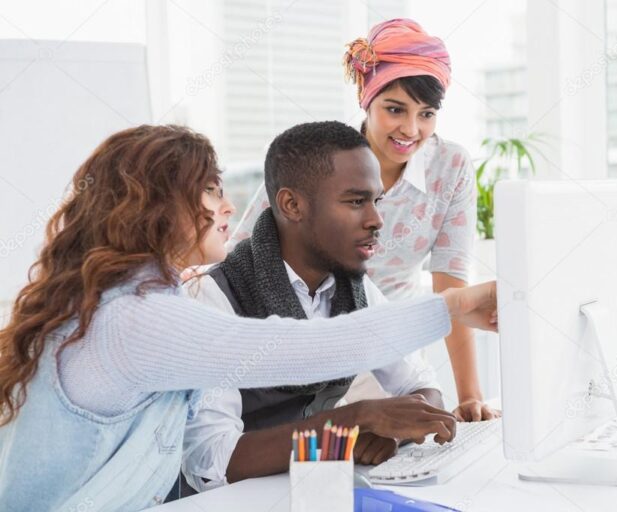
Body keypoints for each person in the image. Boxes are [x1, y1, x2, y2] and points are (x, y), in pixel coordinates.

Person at [0, 125, 497, 511]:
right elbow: (303, 349)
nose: (229, 205)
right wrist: (455, 306)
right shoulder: (132, 319)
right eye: (212, 191)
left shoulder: (138, 300)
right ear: (156, 207)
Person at [231, 19, 497, 421]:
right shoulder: (322, 162)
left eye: (426, 114)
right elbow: (252, 249)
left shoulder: (451, 166)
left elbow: (452, 288)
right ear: (366, 100)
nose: (411, 129)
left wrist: (470, 396)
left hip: (396, 350)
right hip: (314, 342)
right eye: (395, 109)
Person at [181, 121, 450, 492]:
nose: (376, 220)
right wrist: (353, 422)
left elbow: (420, 385)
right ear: (292, 205)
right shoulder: (213, 295)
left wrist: (393, 433)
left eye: (376, 200)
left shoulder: (355, 288)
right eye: (356, 202)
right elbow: (212, 461)